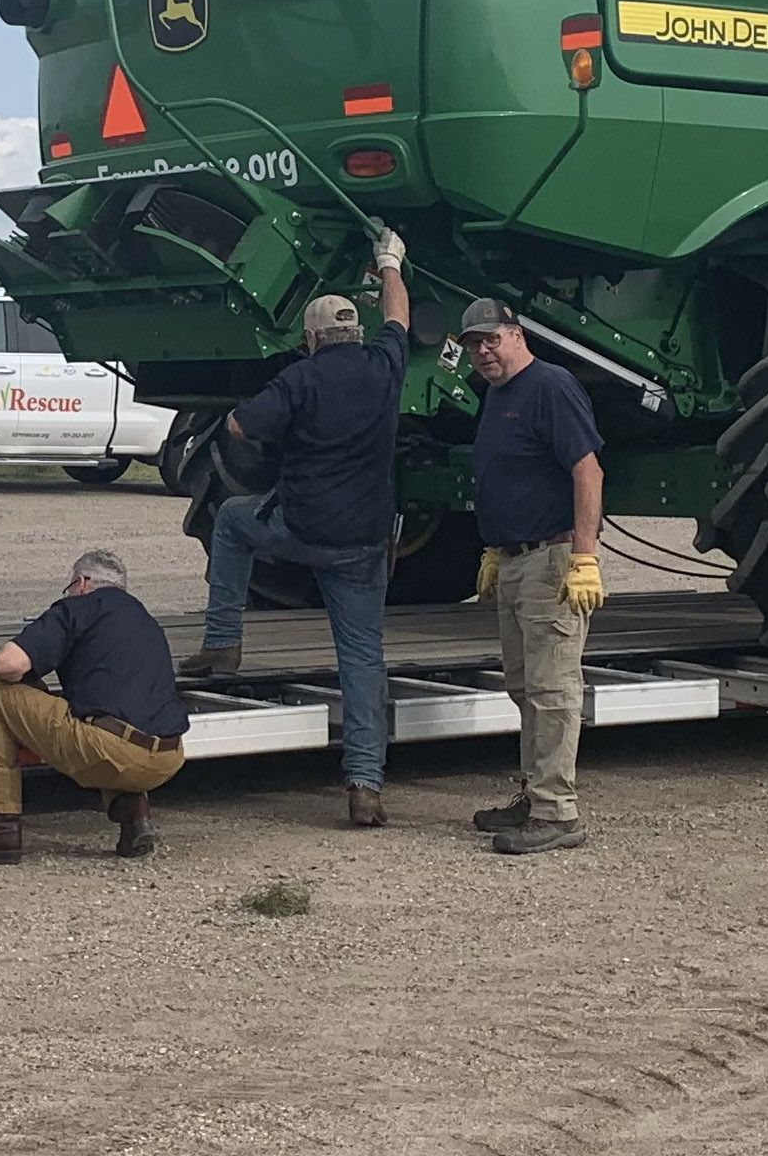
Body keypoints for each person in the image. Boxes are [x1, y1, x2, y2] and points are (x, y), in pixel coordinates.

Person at [216, 231, 419, 826]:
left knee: (231, 521)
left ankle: (223, 644)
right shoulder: (385, 366)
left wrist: (255, 419)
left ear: (310, 340)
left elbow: (237, 429)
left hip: (301, 532)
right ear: (358, 333)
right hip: (363, 544)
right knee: (362, 659)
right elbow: (400, 316)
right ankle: (364, 785)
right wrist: (389, 264)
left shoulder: (299, 381)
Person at [450, 299, 609, 854]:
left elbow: (587, 470)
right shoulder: (497, 396)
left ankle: (558, 812)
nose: (482, 352)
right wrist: (495, 550)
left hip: (551, 560)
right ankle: (535, 796)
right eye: (473, 344)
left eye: (491, 339)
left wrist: (583, 557)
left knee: (553, 689)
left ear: (517, 334)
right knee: (524, 686)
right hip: (515, 560)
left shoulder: (551, 386)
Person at [0, 549, 191, 863]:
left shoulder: (78, 607)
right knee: (111, 715)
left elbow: (8, 665)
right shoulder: (146, 620)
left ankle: (1, 829)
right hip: (168, 759)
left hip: (112, 752)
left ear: (81, 583)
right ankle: (134, 814)